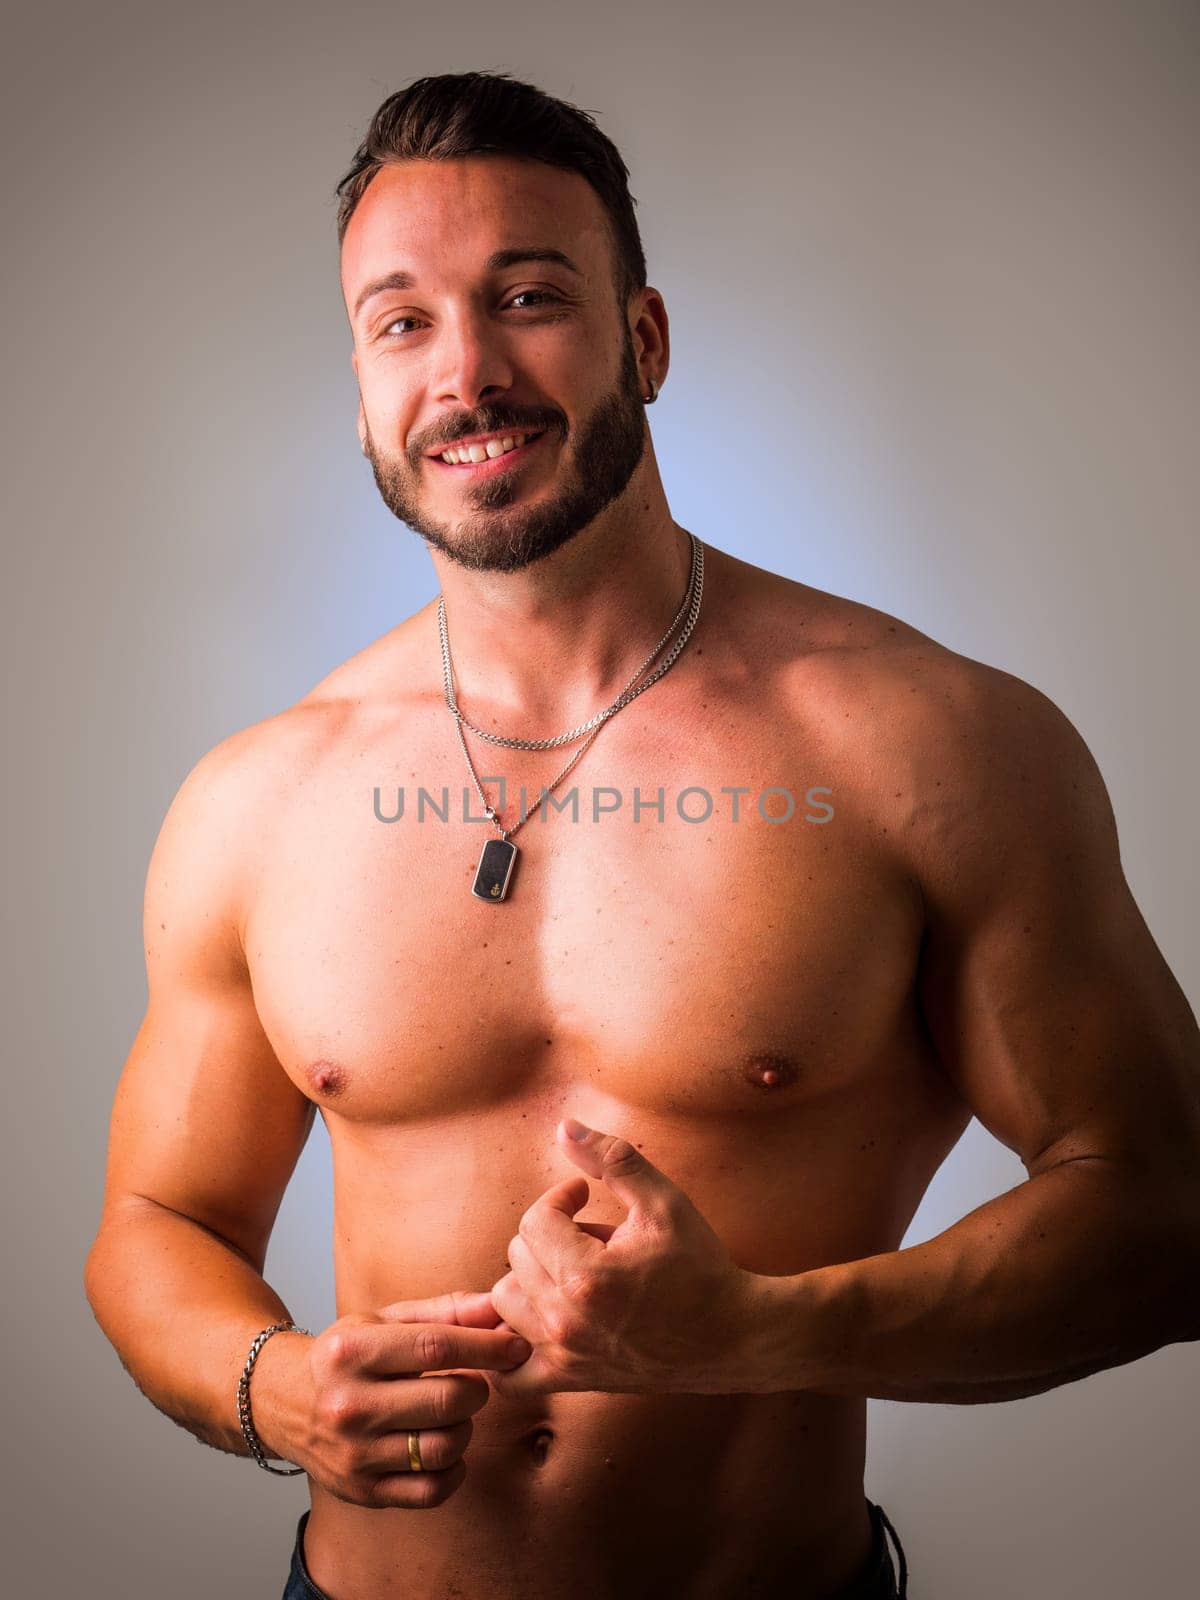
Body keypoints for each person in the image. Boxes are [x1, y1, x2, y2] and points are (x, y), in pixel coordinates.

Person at [84, 69, 1200, 1600]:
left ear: (645, 339)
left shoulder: (931, 747)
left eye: (528, 295)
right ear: (361, 383)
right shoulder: (259, 799)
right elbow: (157, 1222)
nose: (466, 370)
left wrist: (762, 1338)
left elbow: (1167, 1206)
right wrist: (268, 1386)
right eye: (401, 321)